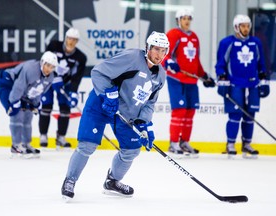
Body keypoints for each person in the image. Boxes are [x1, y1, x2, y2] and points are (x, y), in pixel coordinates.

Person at [61, 31, 169, 201]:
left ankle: (112, 181)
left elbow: (149, 103)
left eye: (163, 50)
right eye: (156, 49)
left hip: (125, 113)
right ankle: (70, 180)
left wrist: (144, 123)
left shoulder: (160, 76)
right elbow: (98, 72)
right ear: (147, 48)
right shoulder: (132, 58)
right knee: (87, 145)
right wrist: (108, 93)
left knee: (132, 150)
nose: (159, 54)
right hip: (100, 103)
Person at [215, 14, 269, 159]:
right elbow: (221, 63)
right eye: (243, 26)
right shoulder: (227, 42)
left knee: (250, 115)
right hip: (235, 84)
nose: (246, 29)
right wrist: (222, 78)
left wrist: (264, 79)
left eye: (247, 26)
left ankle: (247, 144)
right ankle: (230, 144)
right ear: (236, 27)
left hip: (252, 84)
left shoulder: (255, 42)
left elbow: (261, 63)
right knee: (235, 114)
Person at [163, 8, 215, 157]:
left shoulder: (194, 37)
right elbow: (164, 55)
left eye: (189, 18)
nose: (187, 21)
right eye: (184, 18)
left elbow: (195, 61)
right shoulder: (173, 34)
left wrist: (204, 75)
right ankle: (173, 143)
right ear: (178, 20)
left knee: (190, 111)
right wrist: (169, 63)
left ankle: (184, 142)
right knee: (179, 110)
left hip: (191, 80)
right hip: (176, 78)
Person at [0, 51, 58, 158]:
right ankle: (16, 145)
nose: (49, 69)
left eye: (52, 67)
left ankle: (26, 144)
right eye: (47, 65)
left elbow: (38, 91)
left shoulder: (50, 77)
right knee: (16, 112)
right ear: (42, 62)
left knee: (28, 113)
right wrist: (14, 102)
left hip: (21, 89)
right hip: (6, 84)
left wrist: (36, 104)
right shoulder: (31, 70)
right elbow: (19, 86)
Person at [39, 27, 87, 149]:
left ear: (77, 41)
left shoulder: (81, 57)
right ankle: (43, 135)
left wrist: (73, 92)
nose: (71, 42)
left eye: (74, 40)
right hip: (48, 81)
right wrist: (52, 77)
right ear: (65, 38)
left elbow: (77, 76)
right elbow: (44, 61)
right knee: (46, 106)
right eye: (69, 38)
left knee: (65, 109)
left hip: (64, 84)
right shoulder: (54, 46)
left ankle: (61, 137)